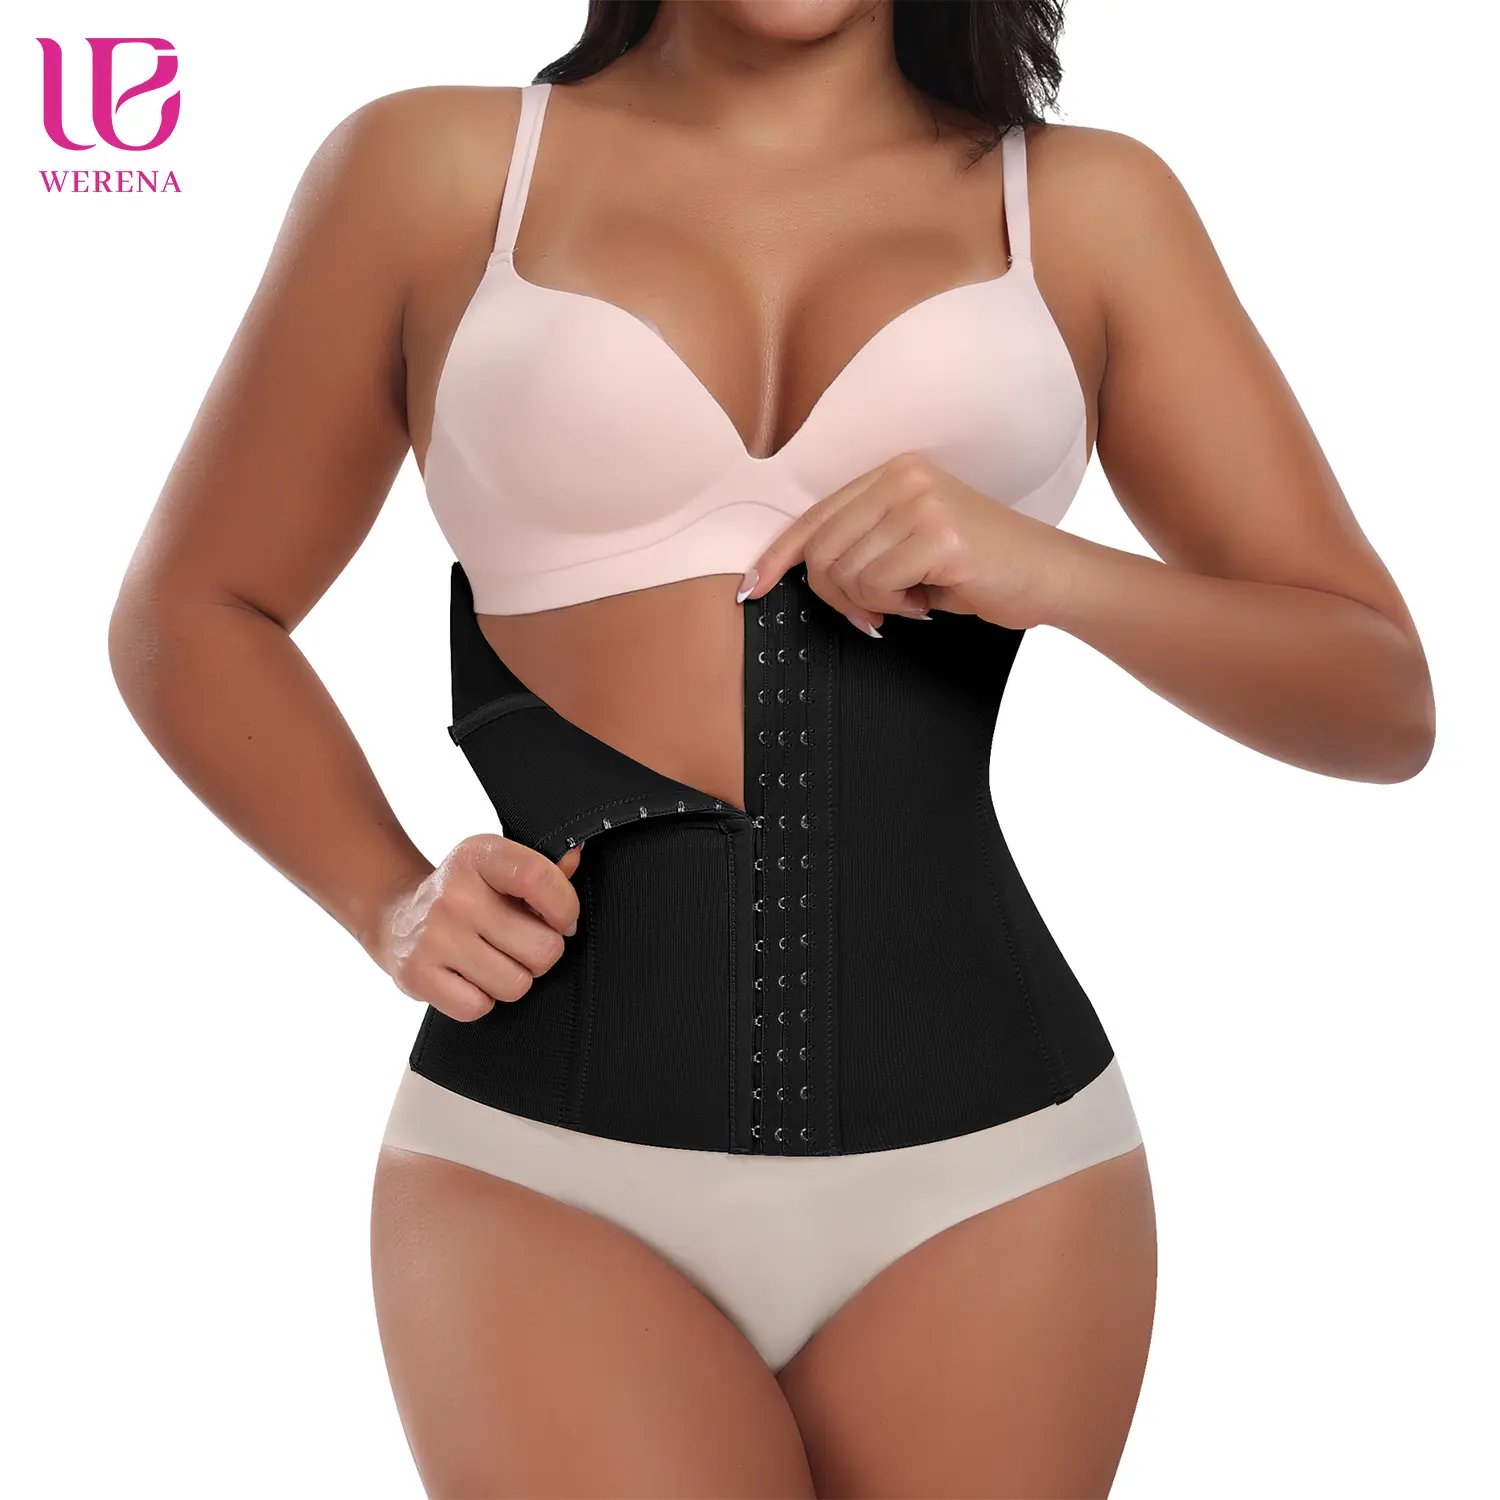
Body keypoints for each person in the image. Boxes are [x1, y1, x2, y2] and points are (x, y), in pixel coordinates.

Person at [108, 2, 1435, 1495]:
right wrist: (386, 894)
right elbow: (192, 609)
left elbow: (1379, 695)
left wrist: (1050, 571)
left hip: (1002, 1180)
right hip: (541, 1170)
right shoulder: (435, 170)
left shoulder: (1085, 207)